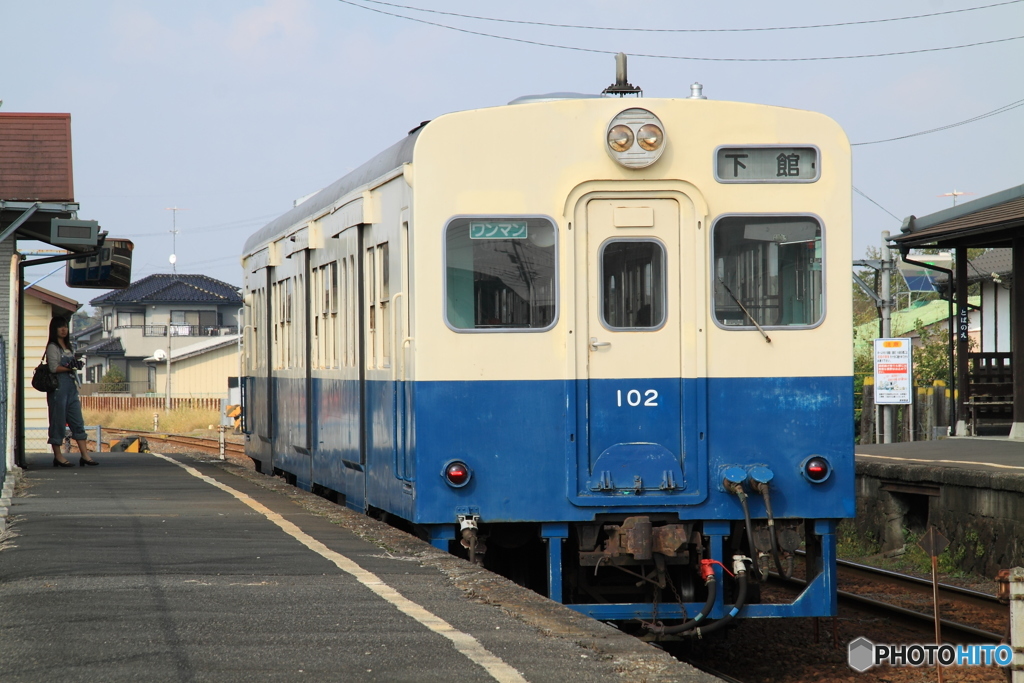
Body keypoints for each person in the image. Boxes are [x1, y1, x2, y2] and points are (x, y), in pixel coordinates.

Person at [45, 316, 98, 467]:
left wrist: (75, 365)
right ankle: (58, 456)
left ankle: (85, 455)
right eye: (60, 327)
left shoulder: (70, 347)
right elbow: (53, 368)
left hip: (71, 387)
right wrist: (71, 367)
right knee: (58, 422)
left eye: (65, 327)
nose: (63, 330)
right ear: (54, 329)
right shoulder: (52, 347)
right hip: (58, 389)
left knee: (77, 421)